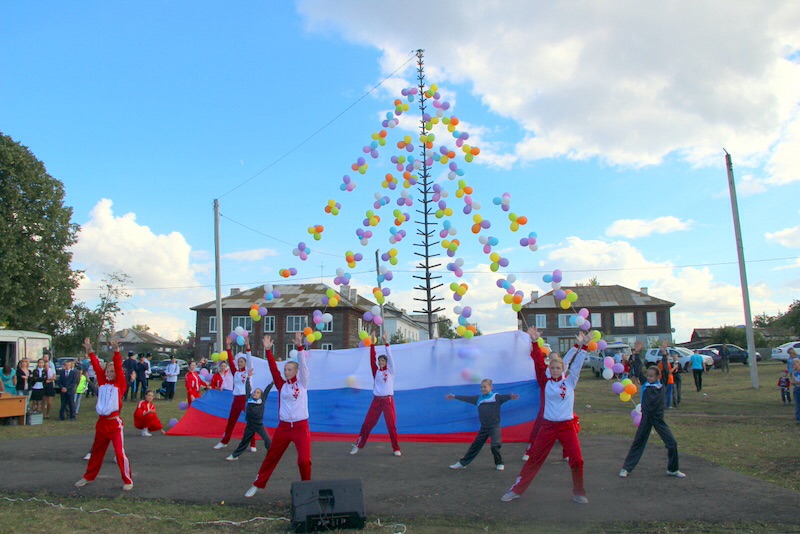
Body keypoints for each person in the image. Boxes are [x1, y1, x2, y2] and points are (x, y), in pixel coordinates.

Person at [501, 327, 589, 504]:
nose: (555, 370)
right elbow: (538, 363)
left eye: (558, 367)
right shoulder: (545, 382)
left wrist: (583, 347)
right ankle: (516, 490)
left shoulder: (569, 382)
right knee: (534, 458)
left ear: (562, 369)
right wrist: (534, 342)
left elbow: (577, 365)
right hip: (548, 427)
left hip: (566, 426)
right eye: (553, 367)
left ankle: (579, 492)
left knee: (577, 460)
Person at [245, 333, 310, 498]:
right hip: (284, 428)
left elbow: (303, 365)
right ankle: (258, 484)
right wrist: (268, 350)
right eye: (285, 370)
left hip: (301, 427)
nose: (286, 372)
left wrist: (300, 347)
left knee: (304, 460)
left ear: (296, 371)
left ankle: (306, 487)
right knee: (272, 456)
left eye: (289, 370)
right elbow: (273, 369)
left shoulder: (302, 383)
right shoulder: (282, 385)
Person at [75, 337, 133, 491]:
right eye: (108, 370)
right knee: (96, 453)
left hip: (114, 424)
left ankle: (127, 480)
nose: (109, 373)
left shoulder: (119, 384)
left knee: (120, 453)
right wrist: (90, 351)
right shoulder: (102, 381)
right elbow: (95, 365)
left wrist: (116, 351)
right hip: (101, 423)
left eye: (112, 371)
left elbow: (119, 368)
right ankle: (88, 476)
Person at [619, 366, 685, 478]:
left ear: (658, 377)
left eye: (651, 376)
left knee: (672, 443)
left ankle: (673, 469)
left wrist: (664, 354)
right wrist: (636, 355)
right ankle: (626, 468)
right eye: (648, 376)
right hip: (646, 418)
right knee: (638, 442)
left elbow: (665, 370)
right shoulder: (645, 384)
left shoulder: (662, 384)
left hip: (658, 419)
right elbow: (638, 369)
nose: (648, 378)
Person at [447, 379, 518, 471]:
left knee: (495, 446)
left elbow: (506, 397)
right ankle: (462, 463)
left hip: (494, 427)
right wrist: (455, 397)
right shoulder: (478, 399)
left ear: (491, 387)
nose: (483, 389)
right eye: (481, 387)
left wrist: (511, 396)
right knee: (475, 446)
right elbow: (467, 398)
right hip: (484, 428)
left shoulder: (496, 397)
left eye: (485, 387)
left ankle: (499, 463)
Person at [350, 332, 401, 457]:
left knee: (391, 425)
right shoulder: (376, 371)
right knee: (367, 423)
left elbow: (390, 357)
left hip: (388, 401)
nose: (381, 362)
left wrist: (386, 343)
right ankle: (358, 445)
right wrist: (372, 344)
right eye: (380, 360)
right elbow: (371, 358)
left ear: (386, 362)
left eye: (383, 360)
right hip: (377, 401)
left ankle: (396, 448)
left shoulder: (391, 371)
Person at [214, 336, 257, 451]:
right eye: (238, 362)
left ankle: (252, 443)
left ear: (246, 363)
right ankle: (224, 441)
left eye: (241, 361)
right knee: (231, 421)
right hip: (237, 399)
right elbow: (231, 361)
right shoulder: (236, 372)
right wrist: (228, 347)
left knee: (250, 421)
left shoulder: (249, 371)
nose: (239, 363)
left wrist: (248, 347)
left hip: (246, 398)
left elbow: (249, 358)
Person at [227, 381, 274, 461]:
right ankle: (235, 455)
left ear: (261, 396)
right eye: (254, 392)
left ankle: (273, 455)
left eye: (258, 393)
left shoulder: (262, 401)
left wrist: (272, 382)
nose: (255, 393)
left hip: (259, 425)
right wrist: (248, 378)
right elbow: (247, 388)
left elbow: (267, 390)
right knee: (244, 442)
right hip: (250, 425)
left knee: (267, 440)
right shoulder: (249, 399)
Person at [791, 359, 800, 424]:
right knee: (797, 403)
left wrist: (795, 382)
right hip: (796, 389)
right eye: (793, 365)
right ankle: (798, 417)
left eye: (795, 364)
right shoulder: (794, 372)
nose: (794, 366)